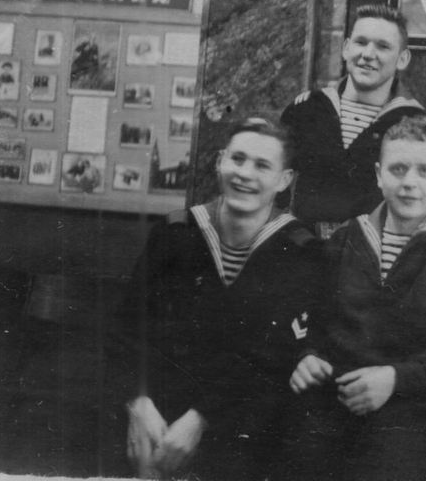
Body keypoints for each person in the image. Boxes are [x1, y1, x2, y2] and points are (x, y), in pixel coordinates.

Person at [289, 116, 426, 480]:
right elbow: (313, 324)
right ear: (378, 174)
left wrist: (396, 378)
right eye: (398, 169)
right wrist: (307, 355)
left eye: (425, 171)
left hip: (415, 419)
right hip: (335, 409)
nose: (410, 182)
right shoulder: (344, 239)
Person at [122, 118, 325, 480]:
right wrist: (138, 402)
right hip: (160, 411)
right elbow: (127, 327)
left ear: (284, 180)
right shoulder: (175, 233)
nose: (245, 174)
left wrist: (200, 419)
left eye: (262, 165)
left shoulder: (299, 250)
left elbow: (271, 360)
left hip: (244, 424)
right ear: (220, 162)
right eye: (238, 159)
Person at [281, 3, 426, 238]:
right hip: (302, 246)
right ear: (346, 48)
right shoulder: (307, 109)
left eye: (383, 46)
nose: (368, 54)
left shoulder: (415, 124)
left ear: (402, 59)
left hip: (371, 250)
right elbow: (275, 187)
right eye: (361, 42)